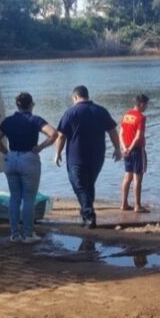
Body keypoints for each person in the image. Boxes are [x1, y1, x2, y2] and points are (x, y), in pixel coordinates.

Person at [0, 92, 58, 243]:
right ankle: (28, 234)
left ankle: (14, 234)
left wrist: (6, 152)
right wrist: (41, 147)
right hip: (29, 158)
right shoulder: (35, 120)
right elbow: (53, 134)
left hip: (11, 159)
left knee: (14, 197)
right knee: (29, 198)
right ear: (31, 105)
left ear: (17, 105)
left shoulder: (8, 121)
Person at [54, 85, 122, 229]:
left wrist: (57, 153)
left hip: (76, 157)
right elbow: (112, 131)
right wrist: (117, 148)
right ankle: (86, 216)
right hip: (97, 156)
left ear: (75, 97)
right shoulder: (100, 110)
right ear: (87, 95)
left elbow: (61, 136)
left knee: (78, 185)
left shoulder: (70, 112)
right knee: (88, 186)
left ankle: (89, 216)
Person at [120, 94, 150, 212]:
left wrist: (124, 148)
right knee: (138, 178)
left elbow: (121, 134)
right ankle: (137, 205)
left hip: (126, 149)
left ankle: (124, 204)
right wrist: (131, 148)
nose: (146, 107)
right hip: (137, 150)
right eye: (146, 105)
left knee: (128, 176)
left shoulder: (126, 115)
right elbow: (138, 137)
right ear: (141, 104)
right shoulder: (141, 117)